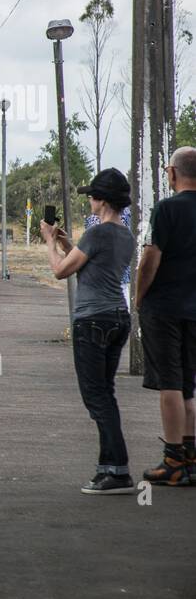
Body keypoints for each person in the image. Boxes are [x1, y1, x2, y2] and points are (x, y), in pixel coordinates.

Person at [41, 168, 136, 494]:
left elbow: (58, 271)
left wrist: (49, 243)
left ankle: (118, 470)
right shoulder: (125, 234)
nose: (90, 201)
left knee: (96, 398)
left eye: (93, 196)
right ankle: (108, 467)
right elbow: (88, 263)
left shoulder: (97, 233)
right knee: (105, 394)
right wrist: (66, 241)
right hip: (117, 318)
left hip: (92, 321)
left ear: (103, 200)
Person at [136, 146, 196, 487]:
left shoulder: (166, 209)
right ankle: (191, 457)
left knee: (169, 383)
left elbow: (150, 260)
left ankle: (173, 460)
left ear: (171, 173)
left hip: (166, 308)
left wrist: (139, 296)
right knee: (189, 384)